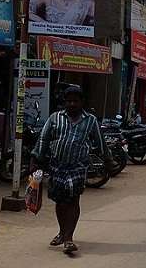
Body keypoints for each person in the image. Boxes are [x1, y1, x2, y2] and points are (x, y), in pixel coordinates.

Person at [30, 86, 111, 254]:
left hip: (78, 166)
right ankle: (61, 231)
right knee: (60, 201)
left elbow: (100, 143)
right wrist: (35, 160)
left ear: (82, 102)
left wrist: (108, 161)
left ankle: (68, 238)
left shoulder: (91, 120)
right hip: (57, 165)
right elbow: (43, 139)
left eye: (75, 100)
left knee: (73, 200)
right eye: (69, 101)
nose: (72, 104)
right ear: (65, 102)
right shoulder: (55, 118)